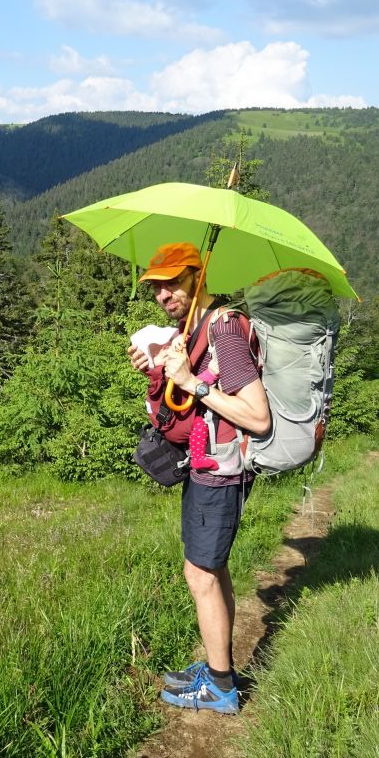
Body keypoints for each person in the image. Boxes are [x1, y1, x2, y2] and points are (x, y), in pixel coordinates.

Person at [127, 242, 270, 714]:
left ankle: (221, 688)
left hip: (222, 472)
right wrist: (159, 374)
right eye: (156, 287)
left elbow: (258, 417)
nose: (163, 294)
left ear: (197, 275)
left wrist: (193, 383)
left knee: (200, 574)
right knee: (212, 568)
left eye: (172, 282)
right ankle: (216, 666)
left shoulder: (225, 329)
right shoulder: (192, 330)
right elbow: (181, 411)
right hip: (203, 466)